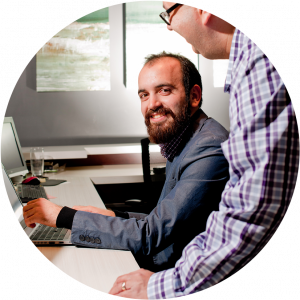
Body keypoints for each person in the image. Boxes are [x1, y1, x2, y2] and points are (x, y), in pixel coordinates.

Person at [108, 3, 300, 299]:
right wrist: (109, 216)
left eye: (168, 11)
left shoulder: (257, 64)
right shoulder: (242, 68)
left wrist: (160, 285)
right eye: (144, 95)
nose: (169, 25)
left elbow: (251, 212)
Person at [23, 52, 230, 272]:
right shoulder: (184, 138)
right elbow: (163, 220)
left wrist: (62, 216)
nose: (152, 104)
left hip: (179, 274)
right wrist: (112, 215)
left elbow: (151, 235)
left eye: (164, 90)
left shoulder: (209, 148)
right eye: (144, 95)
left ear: (194, 96)